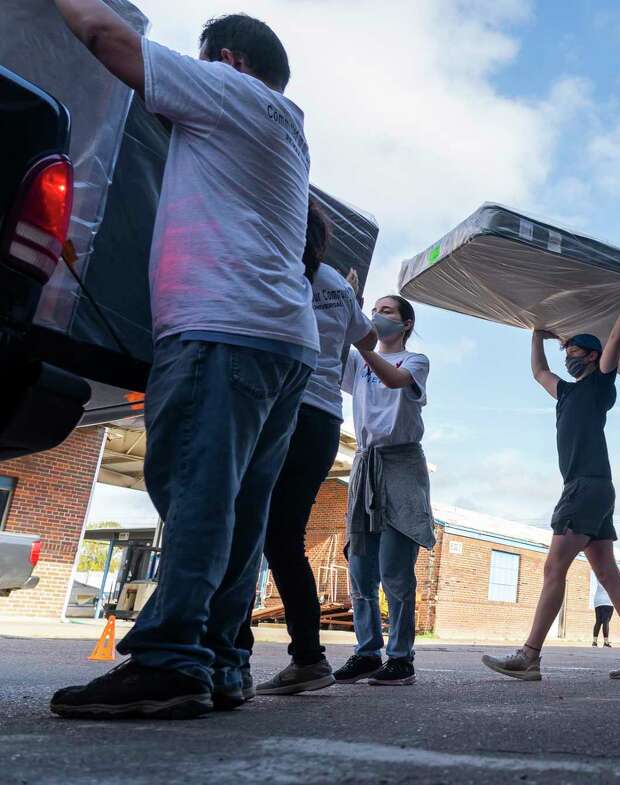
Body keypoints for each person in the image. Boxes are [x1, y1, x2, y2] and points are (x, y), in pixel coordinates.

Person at [49, 7, 315, 719]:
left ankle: (169, 661)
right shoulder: (285, 124)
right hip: (280, 339)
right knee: (238, 508)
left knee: (196, 492)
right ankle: (224, 658)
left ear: (224, 60)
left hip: (220, 327)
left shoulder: (229, 91)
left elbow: (108, 39)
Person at [481, 274, 620, 681]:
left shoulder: (599, 385)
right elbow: (537, 371)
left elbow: (618, 336)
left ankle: (529, 655)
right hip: (592, 488)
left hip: (585, 486)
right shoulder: (565, 394)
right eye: (564, 349)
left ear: (590, 355)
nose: (567, 355)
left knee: (554, 569)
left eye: (572, 349)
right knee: (606, 571)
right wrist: (537, 333)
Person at [233, 202, 376, 696]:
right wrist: (349, 303)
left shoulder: (281, 263)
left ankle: (228, 654)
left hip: (284, 406)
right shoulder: (337, 281)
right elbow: (369, 336)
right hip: (323, 420)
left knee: (240, 526)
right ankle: (309, 658)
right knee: (283, 539)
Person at [332, 296, 434, 687]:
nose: (378, 316)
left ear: (406, 323)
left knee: (395, 569)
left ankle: (400, 657)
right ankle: (366, 652)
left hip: (402, 463)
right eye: (373, 310)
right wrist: (348, 305)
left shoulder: (415, 360)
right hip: (365, 463)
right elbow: (335, 346)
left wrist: (363, 343)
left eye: (387, 311)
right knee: (361, 568)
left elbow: (393, 381)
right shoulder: (357, 360)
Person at [592, 573, 615, 648]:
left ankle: (594, 642)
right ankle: (606, 642)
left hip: (597, 601)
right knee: (606, 621)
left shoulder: (600, 575)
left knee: (598, 621)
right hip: (607, 601)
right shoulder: (613, 578)